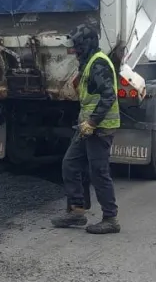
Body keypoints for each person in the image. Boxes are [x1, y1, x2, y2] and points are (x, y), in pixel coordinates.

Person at [51, 24, 121, 234]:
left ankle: (110, 218)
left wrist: (92, 122)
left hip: (100, 128)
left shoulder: (98, 63)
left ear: (86, 44)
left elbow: (109, 96)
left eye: (76, 45)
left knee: (98, 172)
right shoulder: (89, 62)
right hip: (87, 128)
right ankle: (77, 211)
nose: (73, 49)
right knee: (70, 164)